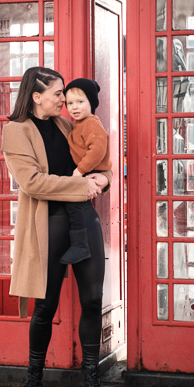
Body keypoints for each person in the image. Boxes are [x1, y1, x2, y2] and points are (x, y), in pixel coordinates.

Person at [2, 66, 112, 387]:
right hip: (47, 224)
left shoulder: (69, 125)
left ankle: (90, 382)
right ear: (36, 96)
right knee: (45, 307)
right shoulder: (15, 131)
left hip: (84, 221)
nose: (64, 99)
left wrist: (103, 182)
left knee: (92, 301)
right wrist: (84, 186)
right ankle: (33, 382)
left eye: (65, 94)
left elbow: (101, 164)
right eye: (57, 93)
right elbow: (32, 182)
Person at [59, 77, 111, 265]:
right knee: (74, 208)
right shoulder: (77, 124)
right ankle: (79, 245)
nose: (74, 107)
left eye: (80, 102)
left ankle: (80, 246)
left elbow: (97, 150)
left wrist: (79, 171)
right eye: (70, 103)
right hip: (89, 171)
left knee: (75, 207)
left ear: (92, 103)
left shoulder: (90, 123)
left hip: (91, 171)